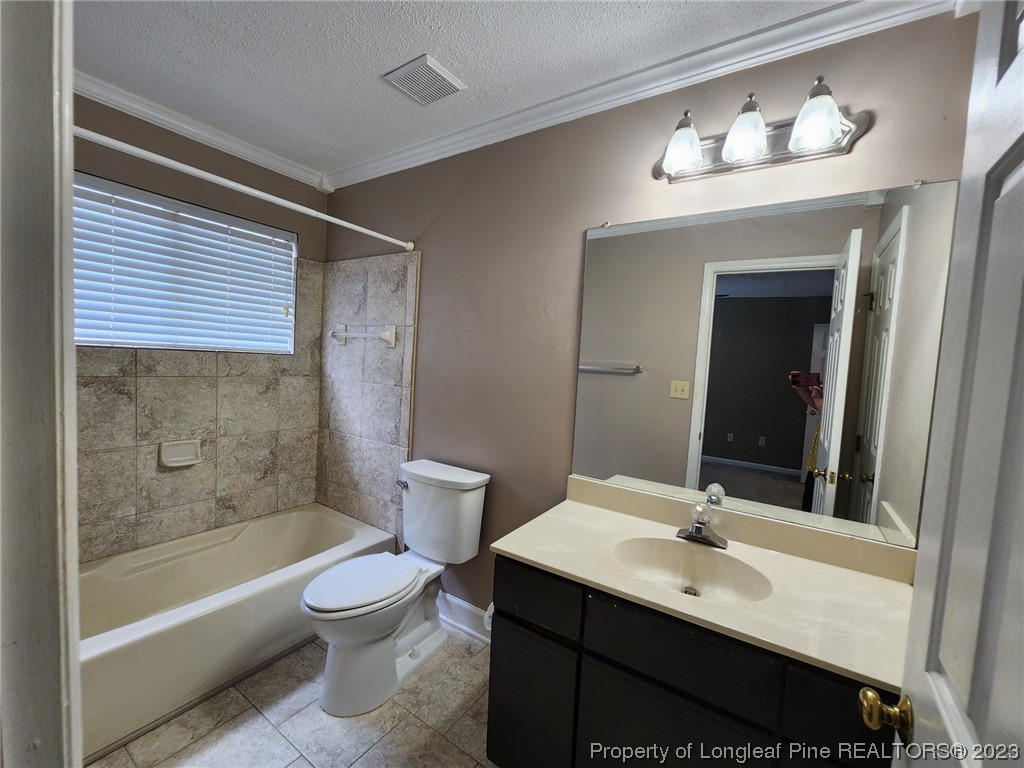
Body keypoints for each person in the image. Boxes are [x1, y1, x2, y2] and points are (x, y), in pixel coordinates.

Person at [790, 371, 823, 512]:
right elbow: (817, 405)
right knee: (809, 494)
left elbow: (829, 413)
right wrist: (801, 388)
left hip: (823, 460)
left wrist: (819, 400)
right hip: (816, 456)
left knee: (811, 503)